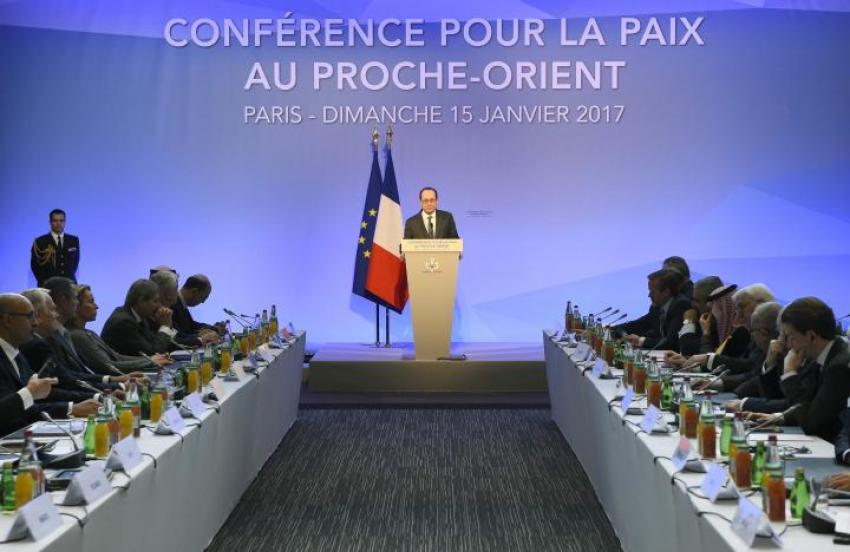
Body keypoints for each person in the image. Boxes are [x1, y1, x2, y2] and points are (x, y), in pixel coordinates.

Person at [0, 293, 100, 431]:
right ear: (7, 320)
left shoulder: (16, 354)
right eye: (29, 316)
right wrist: (30, 392)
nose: (35, 323)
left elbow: (31, 405)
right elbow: (4, 411)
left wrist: (71, 408)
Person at [772, 297, 850, 442]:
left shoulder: (839, 367)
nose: (788, 345)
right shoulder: (824, 355)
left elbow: (811, 423)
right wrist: (781, 417)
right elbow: (810, 404)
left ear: (811, 336)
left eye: (791, 337)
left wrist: (789, 374)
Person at [67, 284, 168, 375]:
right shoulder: (77, 336)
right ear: (76, 306)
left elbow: (116, 356)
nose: (96, 306)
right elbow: (109, 365)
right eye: (91, 301)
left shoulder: (89, 332)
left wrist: (150, 360)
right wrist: (150, 361)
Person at [617, 268, 692, 352]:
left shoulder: (681, 305)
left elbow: (671, 343)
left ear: (666, 292)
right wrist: (613, 330)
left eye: (652, 291)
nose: (649, 295)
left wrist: (640, 340)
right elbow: (640, 324)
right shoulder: (656, 307)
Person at [101, 279, 178, 356]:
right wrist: (165, 326)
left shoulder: (140, 315)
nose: (159, 305)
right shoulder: (124, 322)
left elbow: (157, 343)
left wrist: (162, 325)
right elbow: (153, 353)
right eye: (155, 301)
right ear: (141, 301)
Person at [30, 209, 80, 286]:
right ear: (50, 222)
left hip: (69, 286)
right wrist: (44, 282)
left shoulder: (73, 240)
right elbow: (35, 266)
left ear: (65, 222)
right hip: (47, 287)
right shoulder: (40, 241)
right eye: (55, 221)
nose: (58, 223)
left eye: (61, 221)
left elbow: (75, 263)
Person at [171, 274, 222, 342]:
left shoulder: (180, 302)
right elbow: (178, 337)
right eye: (204, 297)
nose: (203, 302)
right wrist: (201, 337)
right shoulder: (173, 304)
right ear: (194, 292)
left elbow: (192, 325)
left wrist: (214, 328)